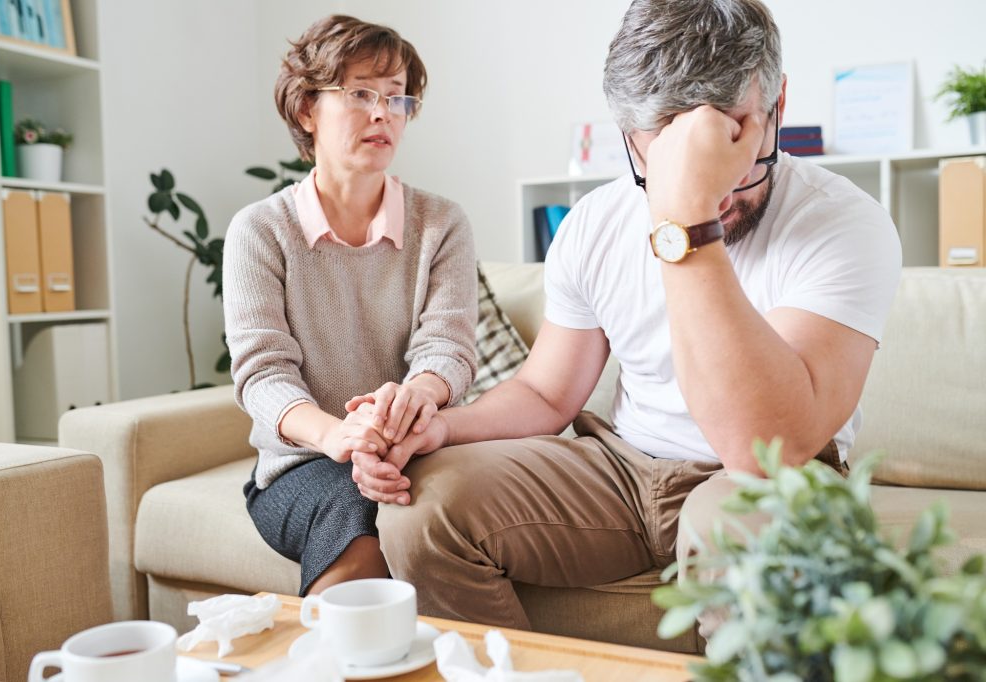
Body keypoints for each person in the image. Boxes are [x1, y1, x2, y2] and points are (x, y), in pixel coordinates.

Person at [357, 0, 902, 632]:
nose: (720, 192)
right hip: (623, 469)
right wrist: (444, 429)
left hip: (769, 481)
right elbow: (545, 390)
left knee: (731, 530)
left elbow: (763, 450)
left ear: (777, 105)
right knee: (420, 508)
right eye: (665, 161)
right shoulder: (594, 221)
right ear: (630, 137)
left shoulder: (843, 223)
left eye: (736, 149)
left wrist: (686, 218)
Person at [223, 15, 478, 597]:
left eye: (397, 97)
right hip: (302, 463)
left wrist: (403, 407)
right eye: (361, 93)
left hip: (414, 447)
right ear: (306, 109)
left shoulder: (441, 224)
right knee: (358, 507)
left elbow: (448, 348)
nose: (384, 112)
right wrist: (340, 437)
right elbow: (262, 374)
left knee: (435, 502)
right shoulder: (260, 230)